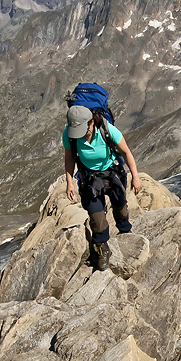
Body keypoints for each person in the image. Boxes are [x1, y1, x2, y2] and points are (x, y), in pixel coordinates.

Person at [63, 104, 143, 269]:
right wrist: (69, 182)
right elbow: (69, 158)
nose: (79, 135)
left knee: (120, 206)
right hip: (89, 177)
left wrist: (135, 176)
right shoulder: (69, 135)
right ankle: (102, 249)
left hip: (112, 173)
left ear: (91, 123)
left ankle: (125, 231)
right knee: (96, 216)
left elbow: (126, 152)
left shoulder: (108, 130)